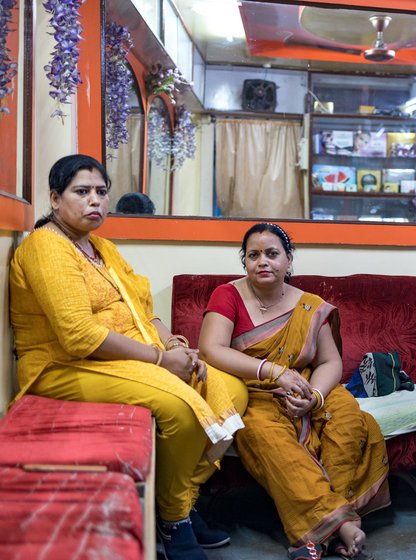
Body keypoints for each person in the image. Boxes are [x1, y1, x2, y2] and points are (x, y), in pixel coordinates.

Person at [9, 154, 248, 560]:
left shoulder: (99, 246)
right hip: (62, 367)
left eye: (101, 192)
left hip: (123, 358)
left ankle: (181, 501)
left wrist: (173, 345)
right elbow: (78, 336)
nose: (95, 201)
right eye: (81, 192)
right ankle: (174, 521)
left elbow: (143, 309)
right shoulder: (46, 247)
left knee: (232, 390)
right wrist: (159, 361)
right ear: (54, 198)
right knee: (180, 408)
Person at [198, 223, 389, 560]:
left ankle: (324, 529)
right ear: (244, 262)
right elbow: (211, 350)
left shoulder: (310, 305)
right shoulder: (227, 295)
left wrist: (313, 397)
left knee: (351, 422)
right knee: (263, 438)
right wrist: (274, 372)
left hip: (309, 386)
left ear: (288, 260)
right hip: (256, 391)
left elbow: (330, 362)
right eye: (253, 255)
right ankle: (342, 527)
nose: (262, 262)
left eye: (272, 254)